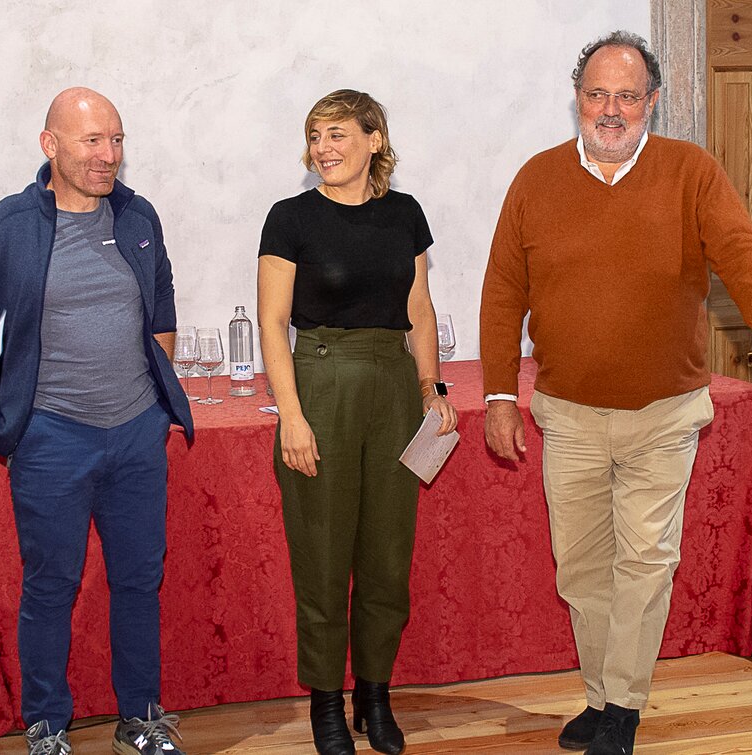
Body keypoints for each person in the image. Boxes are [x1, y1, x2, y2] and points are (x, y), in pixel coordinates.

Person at [479, 31, 752, 755]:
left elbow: (739, 249)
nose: (610, 109)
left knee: (643, 563)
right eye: (597, 94)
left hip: (663, 413)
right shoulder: (535, 180)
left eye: (626, 96)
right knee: (580, 569)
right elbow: (503, 291)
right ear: (577, 97)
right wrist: (501, 395)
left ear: (651, 103)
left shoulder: (689, 171)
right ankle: (601, 694)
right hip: (566, 413)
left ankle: (622, 709)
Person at [0, 87, 193, 755]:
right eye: (93, 141)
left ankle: (142, 717)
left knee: (138, 579)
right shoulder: (4, 225)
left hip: (134, 434)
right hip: (49, 437)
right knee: (51, 584)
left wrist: (154, 407)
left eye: (117, 141)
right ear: (51, 145)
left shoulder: (137, 216)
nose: (108, 155)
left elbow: (160, 317)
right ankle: (46, 725)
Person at [258, 89, 458, 755]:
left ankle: (374, 693)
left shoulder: (404, 214)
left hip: (394, 389)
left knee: (385, 555)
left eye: (338, 134)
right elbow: (271, 322)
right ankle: (325, 701)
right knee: (321, 554)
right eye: (315, 135)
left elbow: (420, 310)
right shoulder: (289, 218)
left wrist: (431, 390)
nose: (324, 148)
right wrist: (291, 414)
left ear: (374, 139)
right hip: (320, 382)